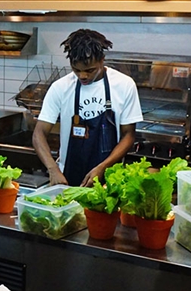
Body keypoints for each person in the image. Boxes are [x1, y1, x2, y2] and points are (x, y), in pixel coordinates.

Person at [32, 28, 142, 187]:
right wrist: (53, 169)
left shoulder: (124, 85)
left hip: (110, 181)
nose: (83, 76)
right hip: (67, 180)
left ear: (102, 60)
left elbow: (129, 135)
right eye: (77, 70)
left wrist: (103, 167)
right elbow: (39, 133)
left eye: (90, 70)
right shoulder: (60, 88)